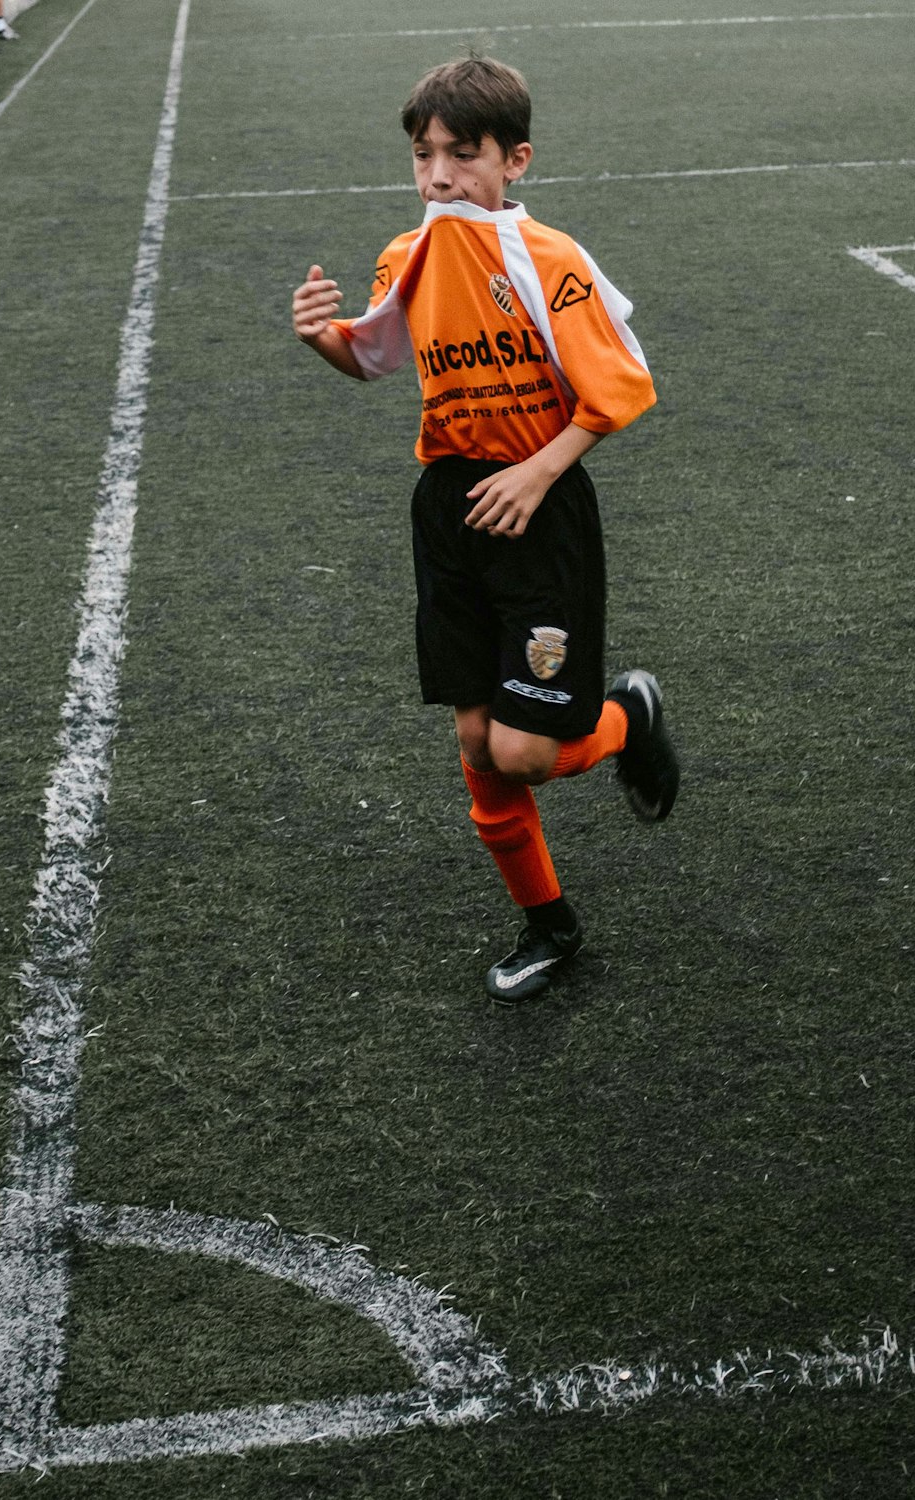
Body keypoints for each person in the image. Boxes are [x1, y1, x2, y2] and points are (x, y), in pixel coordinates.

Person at [291, 56, 679, 1003]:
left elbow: (620, 388)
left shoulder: (550, 260)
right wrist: (323, 340)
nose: (437, 178)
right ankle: (550, 924)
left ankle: (627, 719)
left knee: (528, 752)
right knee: (476, 744)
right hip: (449, 509)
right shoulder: (407, 255)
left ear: (517, 162)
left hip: (538, 508)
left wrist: (538, 473)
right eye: (423, 156)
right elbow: (373, 355)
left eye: (462, 157)